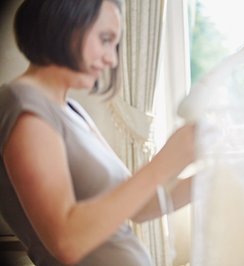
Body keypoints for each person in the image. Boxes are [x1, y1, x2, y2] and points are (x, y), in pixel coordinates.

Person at [0, 1, 195, 265]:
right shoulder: (23, 103)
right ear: (64, 25)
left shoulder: (71, 110)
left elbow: (141, 206)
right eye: (105, 40)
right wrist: (165, 163)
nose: (112, 59)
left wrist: (214, 174)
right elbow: (67, 242)